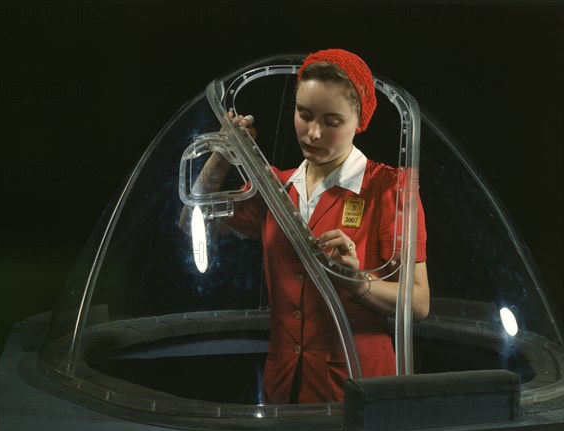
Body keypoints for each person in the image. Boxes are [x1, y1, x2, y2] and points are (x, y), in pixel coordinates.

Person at [180, 48, 429, 404]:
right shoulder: (275, 188)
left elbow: (419, 303)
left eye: (331, 122)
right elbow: (190, 222)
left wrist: (358, 283)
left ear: (360, 121)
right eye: (304, 114)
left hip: (359, 389)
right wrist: (222, 153)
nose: (313, 133)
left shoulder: (390, 189)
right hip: (283, 390)